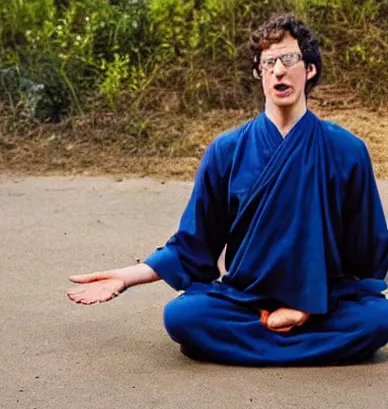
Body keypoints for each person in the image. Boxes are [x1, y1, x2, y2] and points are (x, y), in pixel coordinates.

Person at [67, 14, 388, 366]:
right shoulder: (227, 150)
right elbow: (194, 243)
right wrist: (127, 277)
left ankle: (285, 328)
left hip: (322, 300)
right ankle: (305, 342)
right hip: (246, 300)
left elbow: (366, 254)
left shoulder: (346, 150)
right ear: (259, 73)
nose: (279, 70)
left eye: (289, 59)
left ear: (309, 69)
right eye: (269, 62)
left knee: (378, 318)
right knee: (183, 316)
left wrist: (309, 307)